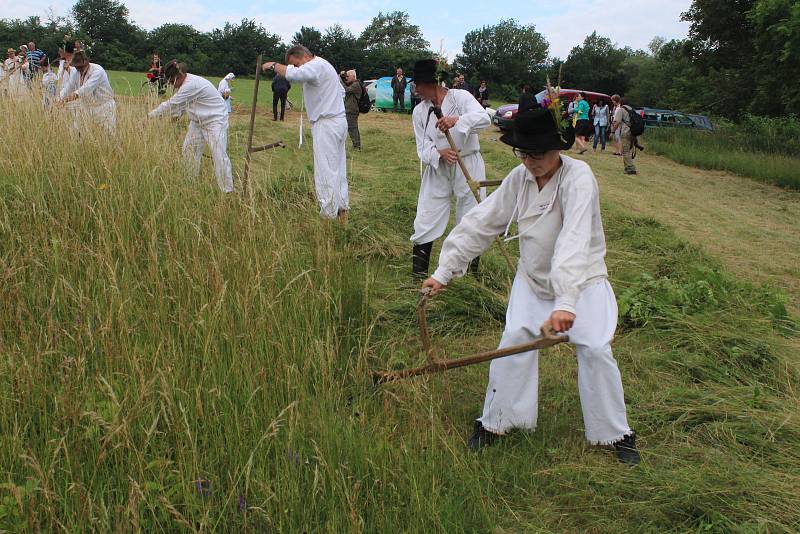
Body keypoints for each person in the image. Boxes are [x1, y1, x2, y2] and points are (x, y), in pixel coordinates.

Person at [420, 108, 640, 464]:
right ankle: (497, 423)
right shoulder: (519, 177)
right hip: (533, 281)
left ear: (557, 148)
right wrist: (445, 270)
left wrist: (566, 302)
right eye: (523, 152)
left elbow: (574, 239)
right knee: (514, 342)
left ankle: (615, 433)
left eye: (537, 153)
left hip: (583, 282)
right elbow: (483, 222)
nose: (530, 161)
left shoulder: (579, 178)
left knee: (596, 349)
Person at [410, 58, 489, 279]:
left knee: (471, 216)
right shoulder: (419, 111)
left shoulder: (460, 98)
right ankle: (417, 277)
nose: (415, 89)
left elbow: (484, 119)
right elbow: (422, 146)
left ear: (430, 83)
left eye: (418, 84)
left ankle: (470, 277)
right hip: (439, 168)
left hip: (468, 164)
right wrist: (438, 153)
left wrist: (457, 121)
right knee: (427, 214)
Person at [262, 45, 349, 222]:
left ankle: (328, 216)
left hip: (327, 123)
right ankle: (341, 211)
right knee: (338, 169)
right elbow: (340, 92)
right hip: (337, 120)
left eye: (297, 64)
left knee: (325, 171)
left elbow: (296, 75)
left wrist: (273, 66)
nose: (297, 68)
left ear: (303, 56)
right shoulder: (325, 66)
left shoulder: (316, 65)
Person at [148, 60, 234, 192]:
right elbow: (184, 103)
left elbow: (172, 104)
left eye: (172, 82)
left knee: (219, 155)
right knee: (189, 150)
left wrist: (150, 116)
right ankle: (190, 182)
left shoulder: (191, 85)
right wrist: (176, 116)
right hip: (197, 121)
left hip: (215, 120)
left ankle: (227, 190)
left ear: (180, 76)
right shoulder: (185, 83)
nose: (172, 86)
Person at [59, 51, 116, 132]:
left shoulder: (98, 71)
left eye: (80, 67)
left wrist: (64, 100)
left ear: (87, 62)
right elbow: (69, 87)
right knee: (77, 131)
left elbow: (84, 90)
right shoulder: (76, 71)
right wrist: (59, 99)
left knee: (107, 133)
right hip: (86, 106)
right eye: (76, 67)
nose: (79, 69)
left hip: (104, 106)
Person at [611, 95, 637, 175]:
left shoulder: (621, 110)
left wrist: (612, 131)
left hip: (626, 132)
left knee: (625, 151)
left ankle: (630, 168)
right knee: (627, 150)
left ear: (621, 103)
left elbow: (617, 122)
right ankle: (628, 167)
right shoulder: (632, 109)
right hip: (633, 132)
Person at [342, 69, 362, 150]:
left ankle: (357, 146)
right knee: (351, 128)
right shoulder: (353, 84)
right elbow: (346, 84)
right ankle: (356, 145)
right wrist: (342, 78)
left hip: (352, 110)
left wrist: (341, 80)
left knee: (352, 128)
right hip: (350, 109)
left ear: (353, 77)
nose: (347, 78)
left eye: (348, 76)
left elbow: (346, 90)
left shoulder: (356, 84)